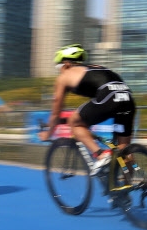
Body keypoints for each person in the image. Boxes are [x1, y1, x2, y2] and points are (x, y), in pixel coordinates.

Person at [39, 44, 137, 176]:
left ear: (66, 64)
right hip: (128, 99)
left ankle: (100, 155)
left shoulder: (65, 76)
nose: (59, 71)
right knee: (124, 150)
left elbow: (56, 111)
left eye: (59, 67)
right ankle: (128, 187)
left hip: (108, 97)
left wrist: (48, 134)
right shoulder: (95, 67)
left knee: (74, 122)